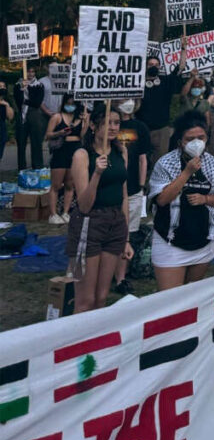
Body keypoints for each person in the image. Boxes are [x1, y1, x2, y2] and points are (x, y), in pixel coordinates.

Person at [149, 111, 214, 290]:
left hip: (204, 239)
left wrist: (206, 199)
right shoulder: (165, 164)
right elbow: (162, 200)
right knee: (170, 300)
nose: (196, 143)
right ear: (180, 141)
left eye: (201, 137)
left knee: (190, 297)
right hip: (170, 240)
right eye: (190, 139)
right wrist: (186, 173)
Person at [66, 105, 133, 313]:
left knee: (102, 298)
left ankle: (96, 343)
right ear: (94, 126)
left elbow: (123, 195)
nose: (113, 128)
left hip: (115, 223)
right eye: (107, 123)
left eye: (116, 123)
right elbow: (84, 204)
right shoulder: (82, 155)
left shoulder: (121, 151)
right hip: (89, 223)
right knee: (86, 299)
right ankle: (77, 342)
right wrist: (96, 174)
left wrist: (126, 237)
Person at [112, 98, 151, 295]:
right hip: (112, 188)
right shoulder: (109, 126)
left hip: (134, 188)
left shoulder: (140, 127)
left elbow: (143, 158)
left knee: (127, 234)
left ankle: (121, 277)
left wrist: (142, 185)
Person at [45, 96, 84, 224]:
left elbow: (83, 135)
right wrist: (60, 133)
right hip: (61, 151)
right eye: (68, 104)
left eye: (73, 104)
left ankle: (66, 212)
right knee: (56, 184)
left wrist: (86, 122)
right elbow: (48, 134)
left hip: (75, 151)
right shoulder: (57, 117)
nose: (70, 106)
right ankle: (53, 213)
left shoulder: (80, 118)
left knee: (70, 184)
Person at [137, 54, 177, 163]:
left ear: (159, 67)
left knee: (160, 161)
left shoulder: (165, 82)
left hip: (161, 130)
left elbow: (180, 68)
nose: (153, 67)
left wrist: (183, 49)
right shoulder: (137, 83)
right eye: (150, 64)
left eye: (156, 65)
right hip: (142, 128)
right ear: (145, 66)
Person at [14, 67, 50, 169]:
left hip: (35, 115)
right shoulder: (18, 85)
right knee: (21, 142)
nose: (30, 74)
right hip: (22, 114)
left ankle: (37, 167)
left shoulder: (38, 85)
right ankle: (21, 168)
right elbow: (18, 101)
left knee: (36, 142)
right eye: (28, 71)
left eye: (32, 71)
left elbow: (37, 102)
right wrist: (22, 89)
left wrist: (26, 99)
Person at [0, 80, 13, 157]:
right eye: (0, 87)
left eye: (3, 86)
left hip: (2, 126)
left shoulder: (7, 101)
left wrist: (7, 105)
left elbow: (10, 117)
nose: (2, 88)